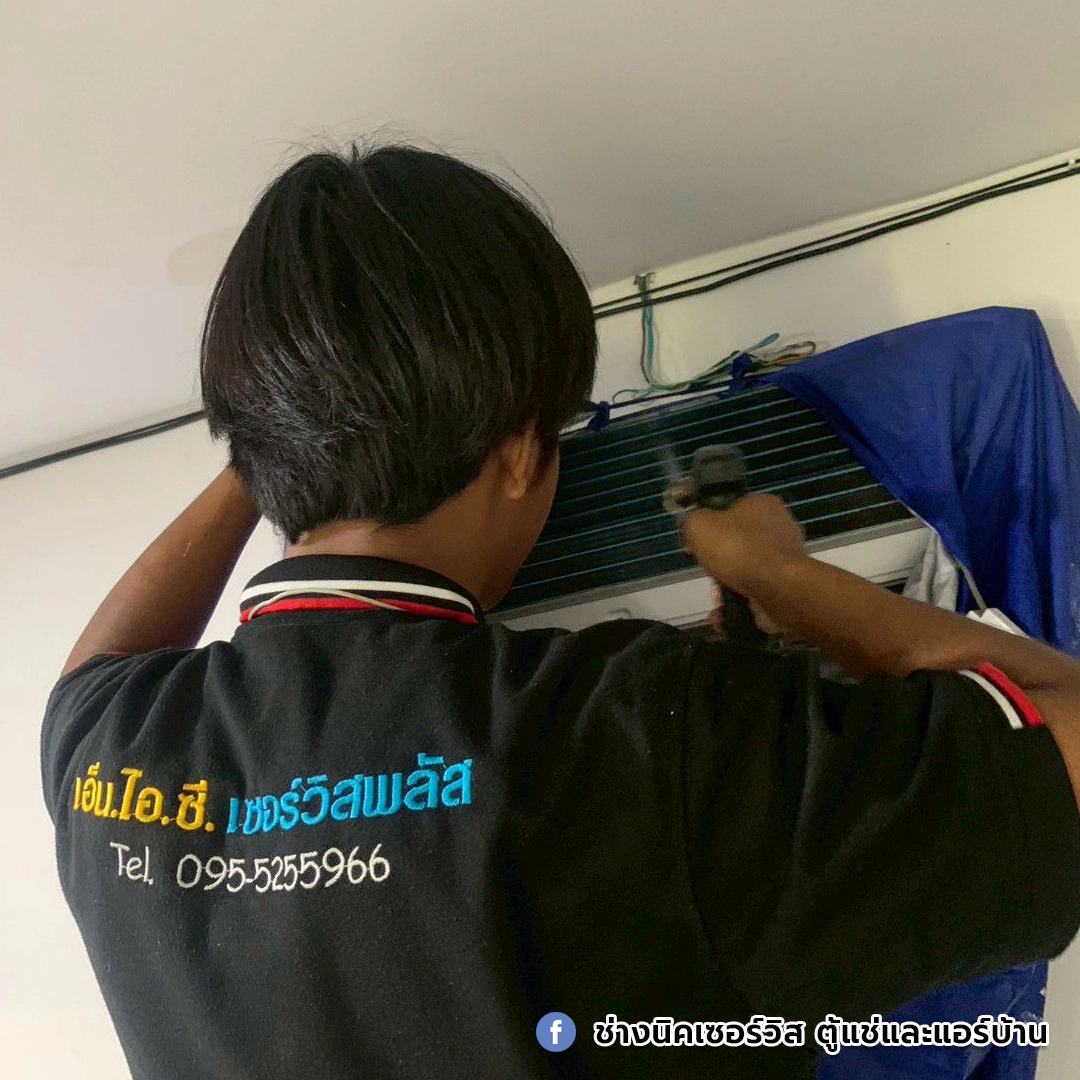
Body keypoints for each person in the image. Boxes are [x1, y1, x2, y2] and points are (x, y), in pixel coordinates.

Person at [41, 142, 1080, 1080]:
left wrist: (286, 439)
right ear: (519, 454)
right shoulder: (645, 735)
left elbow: (98, 663)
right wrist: (781, 577)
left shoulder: (108, 766)